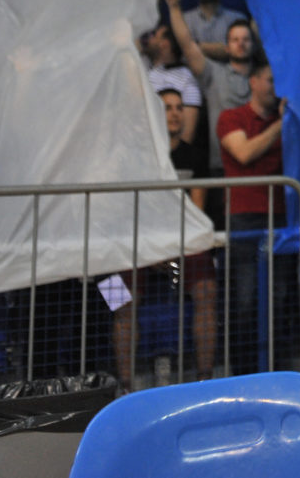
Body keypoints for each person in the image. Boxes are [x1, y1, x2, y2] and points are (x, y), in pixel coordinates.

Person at [112, 89, 216, 387]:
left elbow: (197, 209)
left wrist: (173, 247)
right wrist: (152, 249)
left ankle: (205, 379)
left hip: (182, 242)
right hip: (136, 242)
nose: (175, 113)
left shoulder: (194, 155)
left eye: (179, 107)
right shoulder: (132, 158)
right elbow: (126, 209)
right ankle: (124, 383)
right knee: (115, 296)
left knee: (208, 290)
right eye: (167, 108)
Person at [216, 61, 287, 374]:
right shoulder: (231, 118)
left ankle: (274, 369)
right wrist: (280, 125)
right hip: (245, 217)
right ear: (254, 81)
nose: (275, 86)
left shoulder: (283, 124)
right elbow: (244, 153)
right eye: (270, 80)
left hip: (280, 217)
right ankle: (243, 372)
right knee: (245, 299)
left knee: (278, 296)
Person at [167, 0, 253, 176]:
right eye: (235, 40)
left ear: (254, 45)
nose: (241, 44)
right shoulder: (213, 73)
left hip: (261, 166)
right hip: (221, 167)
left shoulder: (264, 78)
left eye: (246, 39)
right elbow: (187, 44)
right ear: (226, 47)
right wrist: (174, 7)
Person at [143, 24, 201, 144]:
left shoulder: (186, 78)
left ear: (164, 44)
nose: (148, 39)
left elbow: (187, 135)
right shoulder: (147, 70)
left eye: (154, 36)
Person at [181, 0, 249, 61]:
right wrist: (223, 49)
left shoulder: (237, 18)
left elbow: (242, 52)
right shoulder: (184, 19)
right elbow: (184, 52)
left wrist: (200, 47)